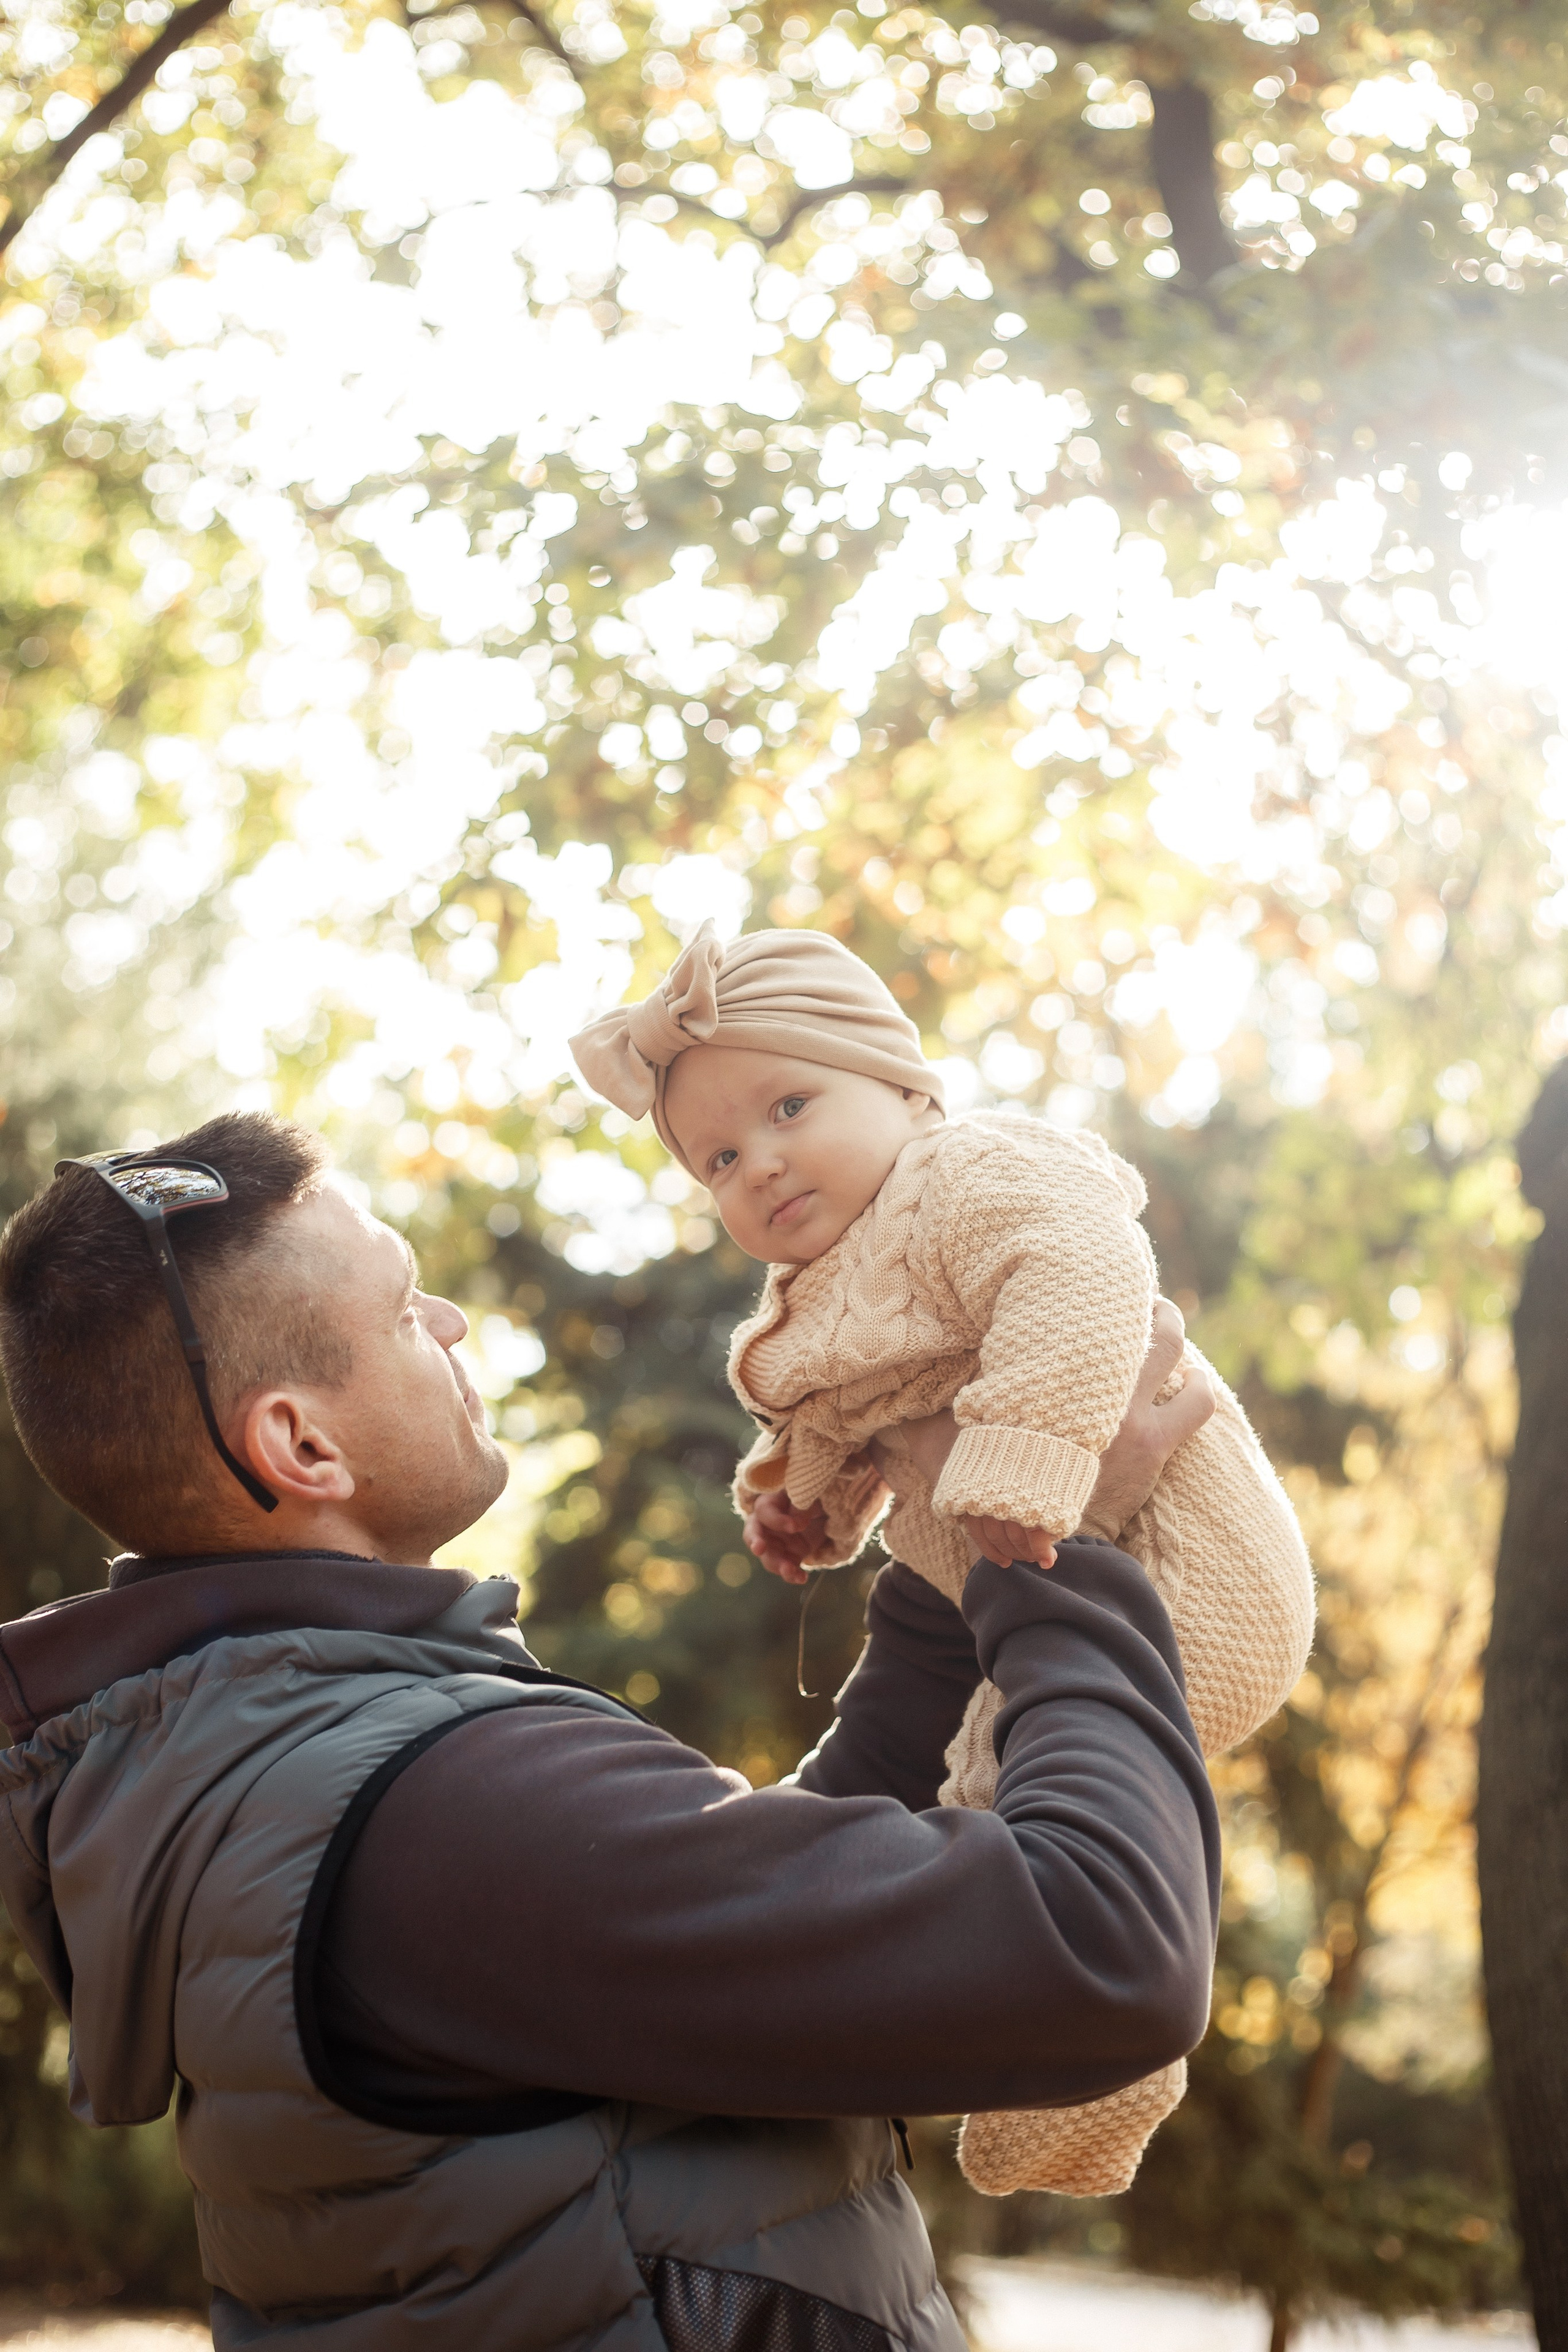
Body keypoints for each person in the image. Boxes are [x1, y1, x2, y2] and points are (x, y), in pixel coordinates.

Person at [0, 1111, 1219, 2352]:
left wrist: (936, 1574)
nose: (452, 1326)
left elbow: (761, 1910)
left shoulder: (273, 1765)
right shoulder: (438, 1808)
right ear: (299, 1443)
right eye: (406, 1305)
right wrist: (1047, 1530)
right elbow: (1100, 1948)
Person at [571, 921, 1313, 2197]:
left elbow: (1082, 1268)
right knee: (959, 1799)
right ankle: (1045, 2056)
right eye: (719, 1159)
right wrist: (802, 1500)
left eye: (789, 1105)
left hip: (1185, 1562)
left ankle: (1081, 2085)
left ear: (904, 1088)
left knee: (1000, 1806)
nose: (761, 1165)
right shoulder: (827, 1281)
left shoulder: (966, 1173)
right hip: (1025, 1578)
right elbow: (855, 1412)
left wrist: (1025, 1461)